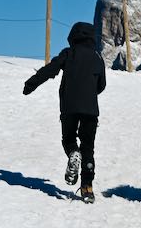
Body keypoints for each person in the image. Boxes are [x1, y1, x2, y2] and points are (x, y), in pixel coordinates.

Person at [23, 21, 106, 203]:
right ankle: (87, 188)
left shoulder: (69, 54)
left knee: (68, 139)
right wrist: (90, 93)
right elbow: (102, 85)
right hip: (91, 110)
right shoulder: (97, 58)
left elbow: (50, 70)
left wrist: (31, 84)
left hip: (69, 106)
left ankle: (73, 153)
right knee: (88, 147)